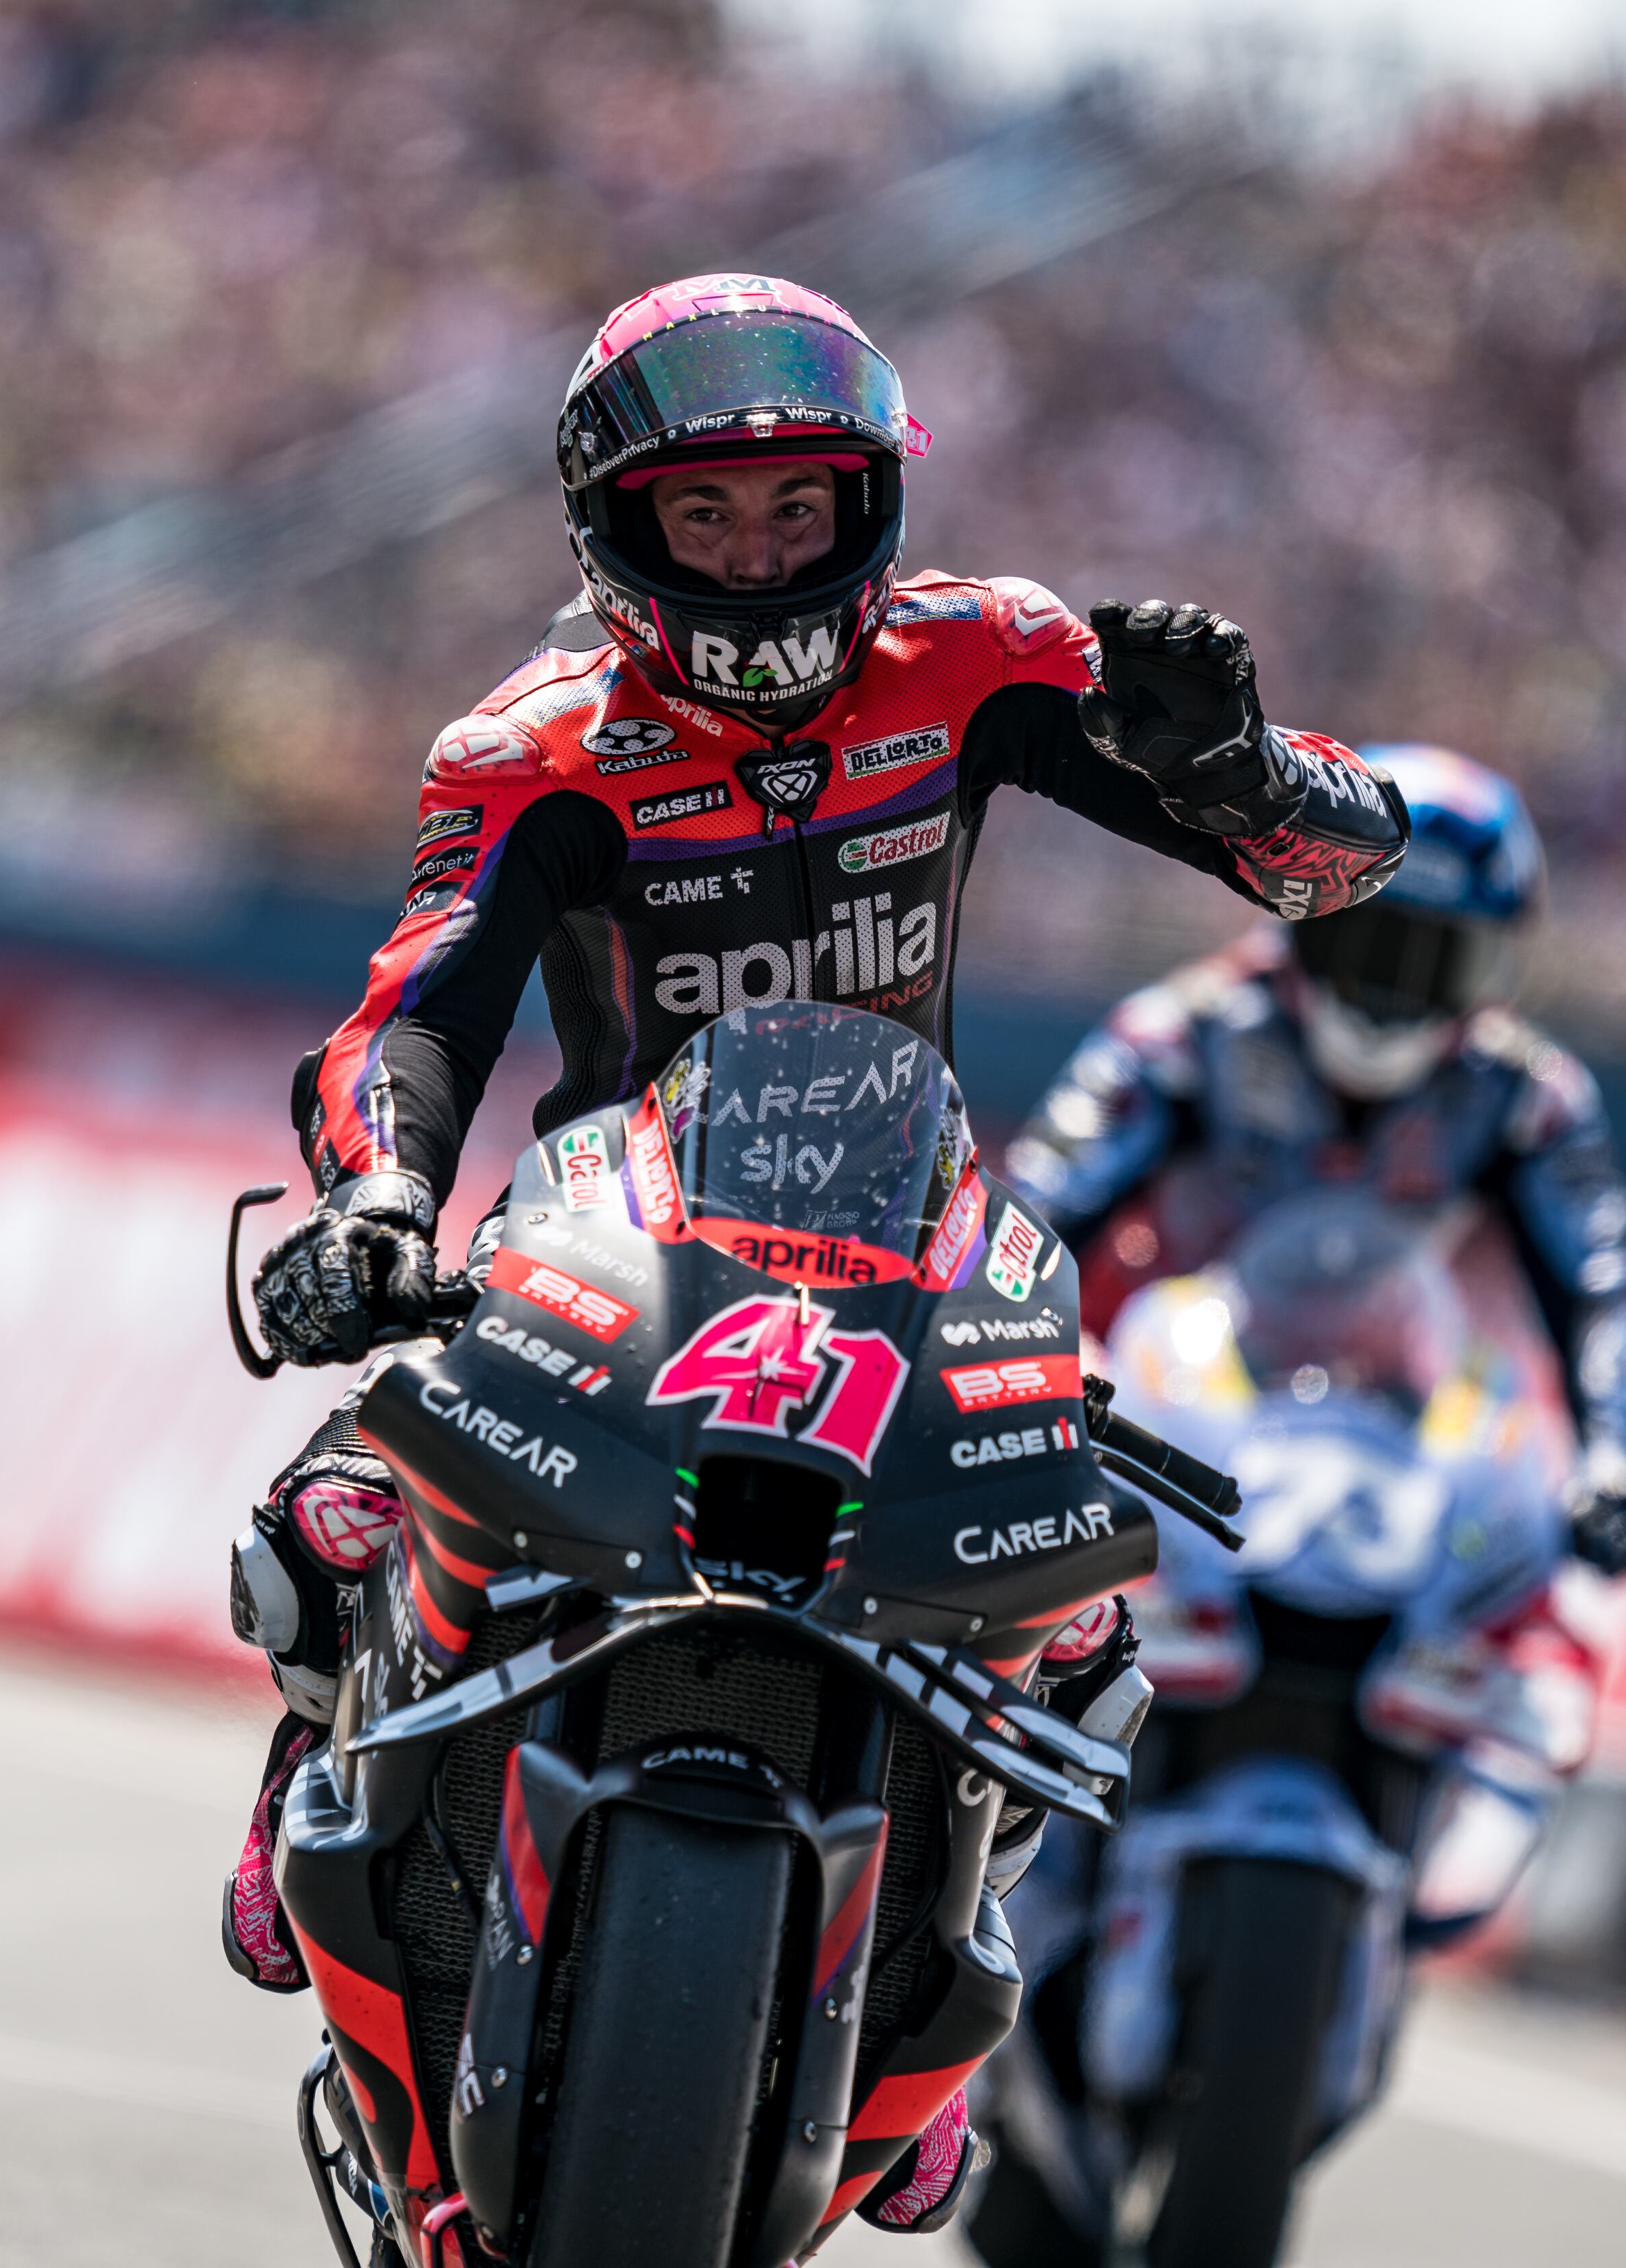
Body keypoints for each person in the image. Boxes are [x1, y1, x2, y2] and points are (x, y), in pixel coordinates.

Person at [218, 274, 1411, 2235]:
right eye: (708, 515)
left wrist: (1241, 766)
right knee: (339, 1498)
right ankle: (311, 1759)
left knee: (1090, 1623)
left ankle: (938, 1941)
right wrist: (370, 1204)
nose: (759, 559)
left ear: (870, 511)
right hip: (616, 1221)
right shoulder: (529, 746)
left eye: (798, 511)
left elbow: (1335, 869)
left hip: (907, 1234)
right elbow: (414, 1018)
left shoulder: (985, 660)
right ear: (619, 526)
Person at [995, 743, 1626, 1572]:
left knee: (1525, 1659)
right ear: (1299, 911)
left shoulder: (1528, 1096)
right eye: (1363, 940)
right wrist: (1016, 1364)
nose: (1386, 993)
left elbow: (1603, 1300)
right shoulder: (1182, 1036)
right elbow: (1027, 1223)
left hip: (1394, 1445)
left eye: (1434, 959)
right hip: (1151, 1438)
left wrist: (1615, 1458)